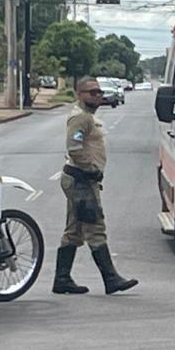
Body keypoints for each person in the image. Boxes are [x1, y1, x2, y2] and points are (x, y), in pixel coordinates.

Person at [52, 77, 139, 295]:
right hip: (81, 180)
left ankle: (62, 279)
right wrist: (91, 169)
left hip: (79, 179)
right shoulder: (81, 118)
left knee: (74, 231)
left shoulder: (88, 117)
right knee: (95, 228)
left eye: (99, 92)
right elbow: (74, 148)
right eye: (91, 92)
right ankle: (111, 279)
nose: (97, 95)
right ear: (79, 94)